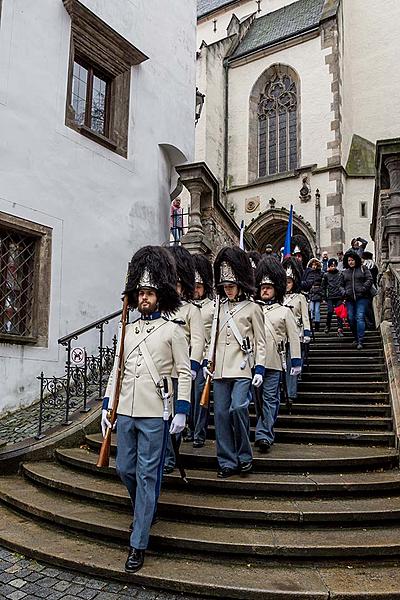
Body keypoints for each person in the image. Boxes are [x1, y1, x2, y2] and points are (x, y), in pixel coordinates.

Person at [101, 246, 192, 573]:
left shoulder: (172, 329)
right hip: (126, 409)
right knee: (125, 469)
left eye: (150, 293)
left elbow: (184, 371)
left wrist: (181, 409)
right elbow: (117, 368)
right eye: (140, 293)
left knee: (146, 474)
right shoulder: (128, 328)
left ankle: (138, 543)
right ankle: (146, 508)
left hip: (155, 411)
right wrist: (108, 403)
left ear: (160, 295)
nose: (144, 298)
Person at [211, 246, 266, 478]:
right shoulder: (218, 307)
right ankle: (226, 461)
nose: (228, 290)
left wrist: (260, 368)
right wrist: (208, 361)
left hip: (242, 367)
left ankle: (244, 455)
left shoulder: (253, 308)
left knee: (238, 408)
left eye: (231, 286)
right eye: (225, 287)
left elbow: (261, 341)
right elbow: (211, 337)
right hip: (220, 369)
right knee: (221, 415)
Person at [163, 245, 205, 470]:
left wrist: (193, 366)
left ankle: (171, 456)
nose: (175, 289)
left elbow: (198, 340)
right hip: (160, 370)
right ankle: (163, 454)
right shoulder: (161, 309)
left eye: (178, 284)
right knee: (161, 416)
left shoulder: (192, 310)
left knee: (175, 417)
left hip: (180, 370)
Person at [254, 256, 301, 450]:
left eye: (269, 287)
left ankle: (264, 434)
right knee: (257, 402)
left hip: (273, 361)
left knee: (270, 399)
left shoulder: (285, 311)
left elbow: (294, 337)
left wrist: (296, 361)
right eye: (262, 286)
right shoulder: (253, 309)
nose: (264, 290)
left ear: (276, 289)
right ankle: (263, 427)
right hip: (253, 363)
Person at [191, 254, 215, 448]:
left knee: (201, 397)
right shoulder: (186, 307)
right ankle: (189, 429)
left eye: (198, 286)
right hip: (185, 358)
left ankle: (199, 432)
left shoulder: (213, 307)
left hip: (203, 358)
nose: (195, 290)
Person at [282, 257, 311, 404]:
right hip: (281, 336)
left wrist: (306, 332)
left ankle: (291, 393)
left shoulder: (300, 297)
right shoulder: (279, 298)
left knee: (292, 363)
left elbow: (305, 316)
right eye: (285, 282)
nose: (286, 285)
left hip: (296, 334)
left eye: (289, 282)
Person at [341, 250, 373, 349]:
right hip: (349, 299)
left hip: (362, 297)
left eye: (352, 260)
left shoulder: (363, 268)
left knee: (359, 317)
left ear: (356, 260)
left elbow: (370, 279)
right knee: (350, 318)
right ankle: (356, 336)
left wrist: (363, 288)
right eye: (349, 260)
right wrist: (344, 292)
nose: (351, 262)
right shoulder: (344, 272)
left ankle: (360, 340)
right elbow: (340, 285)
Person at [321, 258, 345, 336]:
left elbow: (342, 284)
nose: (333, 267)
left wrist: (343, 296)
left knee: (339, 313)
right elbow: (323, 287)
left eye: (334, 265)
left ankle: (340, 328)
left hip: (338, 296)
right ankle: (328, 325)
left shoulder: (340, 274)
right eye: (331, 266)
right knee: (330, 311)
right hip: (330, 296)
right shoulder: (326, 275)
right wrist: (324, 297)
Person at [301, 257, 323, 331]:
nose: (314, 266)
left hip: (318, 294)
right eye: (312, 265)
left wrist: (322, 295)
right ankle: (310, 323)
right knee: (311, 309)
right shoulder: (308, 273)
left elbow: (322, 285)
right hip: (310, 293)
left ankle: (317, 325)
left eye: (315, 265)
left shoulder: (320, 273)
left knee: (317, 310)